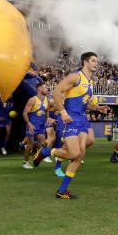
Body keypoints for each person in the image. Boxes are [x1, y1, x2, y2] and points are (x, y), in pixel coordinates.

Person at [34, 52, 109, 199]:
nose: (96, 63)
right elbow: (56, 92)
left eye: (97, 61)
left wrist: (97, 108)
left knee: (81, 153)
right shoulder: (75, 77)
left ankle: (62, 191)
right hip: (71, 119)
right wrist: (62, 112)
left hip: (82, 119)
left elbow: (85, 103)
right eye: (93, 61)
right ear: (85, 62)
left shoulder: (90, 82)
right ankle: (46, 152)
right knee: (75, 154)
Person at [22, 82, 50, 169]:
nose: (47, 89)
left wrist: (47, 119)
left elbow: (47, 111)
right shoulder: (32, 99)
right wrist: (29, 124)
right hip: (32, 126)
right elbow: (25, 113)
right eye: (45, 87)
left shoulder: (46, 99)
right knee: (30, 145)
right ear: (39, 89)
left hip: (41, 126)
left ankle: (36, 159)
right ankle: (25, 162)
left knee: (43, 143)